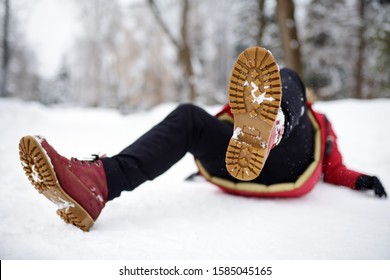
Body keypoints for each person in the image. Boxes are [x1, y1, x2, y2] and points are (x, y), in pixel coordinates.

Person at [18, 47, 387, 232]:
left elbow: (332, 166)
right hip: (244, 168)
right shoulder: (250, 117)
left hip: (286, 162)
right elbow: (333, 166)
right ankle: (100, 183)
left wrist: (358, 179)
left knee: (288, 75)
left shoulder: (317, 119)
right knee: (189, 117)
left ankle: (275, 124)